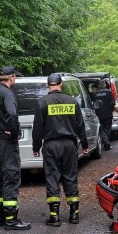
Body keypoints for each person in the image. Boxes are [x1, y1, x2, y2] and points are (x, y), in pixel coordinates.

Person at [32, 73, 89, 226]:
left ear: (48, 85)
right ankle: (74, 214)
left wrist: (36, 146)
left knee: (52, 177)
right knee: (70, 176)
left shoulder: (42, 102)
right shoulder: (72, 101)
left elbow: (37, 128)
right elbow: (80, 125)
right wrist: (84, 145)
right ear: (61, 84)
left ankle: (54, 216)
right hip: (69, 145)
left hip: (51, 145)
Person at [0, 65, 31, 230]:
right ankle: (11, 219)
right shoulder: (7, 93)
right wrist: (14, 133)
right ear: (12, 77)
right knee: (11, 175)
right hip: (7, 141)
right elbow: (12, 114)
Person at [93, 80, 115, 150]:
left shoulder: (95, 93)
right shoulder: (109, 92)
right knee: (107, 128)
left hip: (98, 114)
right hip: (108, 113)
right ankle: (107, 143)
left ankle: (106, 142)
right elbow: (113, 102)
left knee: (101, 128)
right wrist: (110, 109)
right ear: (104, 85)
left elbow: (93, 104)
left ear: (98, 86)